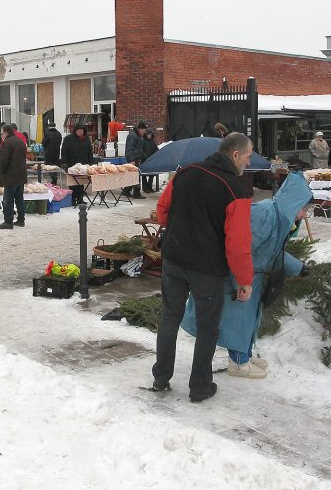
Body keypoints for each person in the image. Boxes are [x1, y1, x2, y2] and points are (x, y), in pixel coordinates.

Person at [151, 132, 255, 403]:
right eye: (247, 155)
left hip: (173, 260)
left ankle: (161, 377)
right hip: (206, 270)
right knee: (208, 328)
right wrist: (245, 280)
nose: (249, 160)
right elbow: (238, 243)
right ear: (234, 154)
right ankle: (199, 387)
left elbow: (162, 212)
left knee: (170, 318)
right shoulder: (236, 189)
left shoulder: (185, 173)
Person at [181, 171, 312, 378]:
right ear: (293, 203)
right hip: (238, 274)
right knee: (238, 319)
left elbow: (272, 254)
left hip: (251, 274)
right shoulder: (265, 215)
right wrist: (240, 280)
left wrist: (299, 267)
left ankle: (245, 355)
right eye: (303, 209)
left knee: (248, 317)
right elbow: (243, 247)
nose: (304, 215)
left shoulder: (279, 218)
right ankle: (239, 363)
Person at [0, 123, 27, 229]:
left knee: (8, 200)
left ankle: (8, 221)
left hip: (10, 176)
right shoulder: (20, 141)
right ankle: (21, 220)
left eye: (2, 134)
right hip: (21, 175)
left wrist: (1, 171)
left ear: (6, 133)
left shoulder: (7, 143)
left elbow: (5, 160)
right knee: (19, 199)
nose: (1, 136)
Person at [61, 125, 93, 206]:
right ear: (75, 131)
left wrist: (90, 162)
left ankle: (80, 199)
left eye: (82, 131)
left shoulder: (86, 139)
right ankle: (72, 199)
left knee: (81, 183)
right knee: (73, 183)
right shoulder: (69, 139)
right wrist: (65, 163)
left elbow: (90, 151)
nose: (80, 132)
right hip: (72, 164)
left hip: (83, 165)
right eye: (79, 131)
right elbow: (64, 151)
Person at [122, 121, 148, 199]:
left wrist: (145, 157)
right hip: (132, 159)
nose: (144, 132)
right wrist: (131, 160)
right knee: (136, 176)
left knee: (132, 175)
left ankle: (126, 191)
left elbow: (139, 149)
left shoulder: (138, 136)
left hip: (136, 158)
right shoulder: (133, 136)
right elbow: (129, 149)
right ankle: (136, 193)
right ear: (139, 129)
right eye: (144, 131)